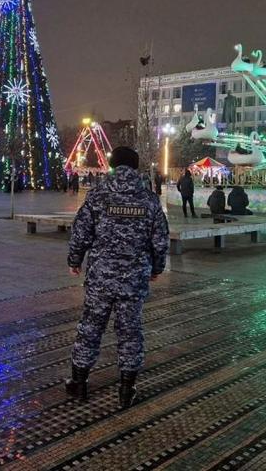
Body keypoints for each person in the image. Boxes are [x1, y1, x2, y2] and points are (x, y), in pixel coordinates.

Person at [65, 146, 169, 408]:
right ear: (135, 167)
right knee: (130, 332)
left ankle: (79, 384)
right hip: (133, 280)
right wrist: (157, 268)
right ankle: (126, 389)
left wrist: (74, 261)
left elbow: (80, 233)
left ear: (112, 166)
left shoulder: (97, 195)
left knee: (90, 328)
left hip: (101, 277)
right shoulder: (149, 200)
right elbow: (160, 240)